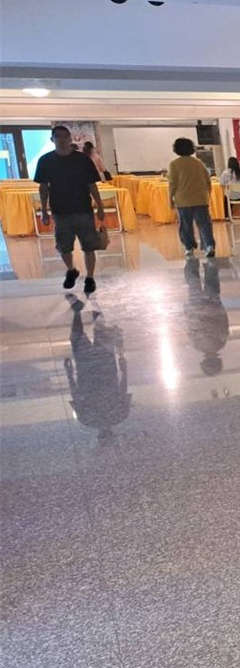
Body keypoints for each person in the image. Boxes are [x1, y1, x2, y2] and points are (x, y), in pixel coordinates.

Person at [35, 126, 106, 295]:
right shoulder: (45, 161)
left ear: (70, 138)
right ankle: (71, 270)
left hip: (83, 209)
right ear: (52, 139)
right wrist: (44, 210)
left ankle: (90, 277)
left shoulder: (83, 160)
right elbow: (43, 188)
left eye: (65, 137)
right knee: (64, 247)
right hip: (60, 211)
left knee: (89, 246)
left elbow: (92, 185)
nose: (62, 140)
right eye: (58, 137)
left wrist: (100, 206)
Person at [64, 296, 130, 445]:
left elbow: (123, 387)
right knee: (80, 337)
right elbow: (76, 394)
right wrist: (69, 374)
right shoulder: (87, 419)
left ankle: (89, 303)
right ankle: (81, 307)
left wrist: (123, 366)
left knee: (97, 332)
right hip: (88, 369)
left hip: (103, 367)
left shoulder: (120, 415)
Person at [169, 137, 215, 259]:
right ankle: (209, 246)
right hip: (200, 199)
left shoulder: (174, 164)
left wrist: (170, 199)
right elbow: (207, 180)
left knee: (185, 225)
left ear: (176, 149)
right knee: (204, 224)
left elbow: (173, 183)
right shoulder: (199, 163)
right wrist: (207, 194)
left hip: (183, 200)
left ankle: (189, 247)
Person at [184, 257, 229, 376]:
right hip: (196, 307)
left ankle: (210, 262)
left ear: (218, 360)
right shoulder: (196, 344)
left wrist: (220, 308)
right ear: (203, 361)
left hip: (212, 306)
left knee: (211, 282)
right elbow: (190, 326)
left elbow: (224, 323)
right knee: (193, 282)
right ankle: (190, 257)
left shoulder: (221, 343)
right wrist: (188, 310)